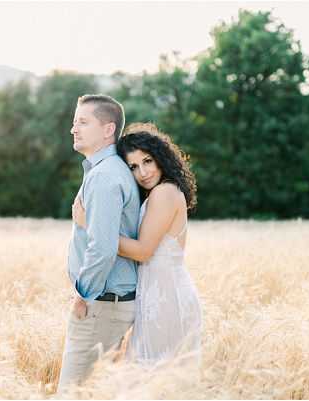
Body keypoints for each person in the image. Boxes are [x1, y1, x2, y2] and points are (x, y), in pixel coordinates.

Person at [73, 122, 202, 366]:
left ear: (161, 158)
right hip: (158, 293)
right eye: (133, 166)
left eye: (147, 161)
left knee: (153, 376)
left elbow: (143, 252)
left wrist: (91, 225)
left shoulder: (164, 193)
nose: (143, 172)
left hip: (165, 298)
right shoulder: (161, 192)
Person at [57, 94, 141, 392]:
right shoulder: (105, 171)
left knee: (71, 393)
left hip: (101, 306)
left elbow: (102, 249)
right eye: (73, 122)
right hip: (108, 305)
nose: (73, 129)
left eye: (82, 122)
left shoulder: (105, 176)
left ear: (108, 129)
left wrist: (83, 293)